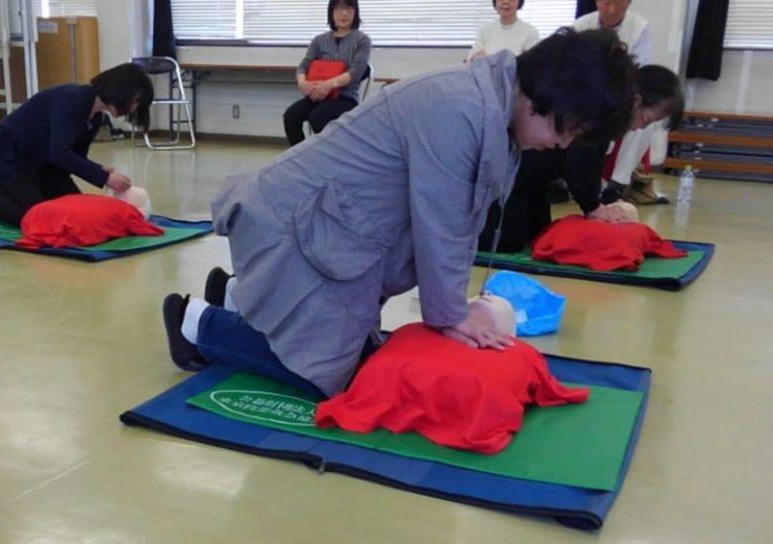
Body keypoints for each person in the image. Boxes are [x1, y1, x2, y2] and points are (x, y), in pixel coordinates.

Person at [163, 29, 637, 398]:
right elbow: (443, 226)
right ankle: (197, 323)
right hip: (293, 224)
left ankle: (238, 295)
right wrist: (453, 314)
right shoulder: (460, 108)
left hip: (329, 230)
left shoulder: (494, 106)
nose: (563, 144)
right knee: (328, 374)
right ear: (545, 95)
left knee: (368, 356)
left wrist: (459, 308)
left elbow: (460, 224)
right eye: (567, 129)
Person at [479, 64, 684, 253]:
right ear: (637, 100)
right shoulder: (600, 110)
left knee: (538, 237)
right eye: (646, 120)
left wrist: (596, 204)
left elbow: (587, 164)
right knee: (505, 244)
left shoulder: (608, 113)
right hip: (510, 172)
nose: (640, 127)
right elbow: (580, 162)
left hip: (534, 181)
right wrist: (593, 207)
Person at [0, 63, 153, 224]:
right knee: (35, 216)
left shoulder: (95, 118)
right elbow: (60, 154)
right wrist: (104, 178)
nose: (133, 108)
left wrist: (100, 169)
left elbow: (73, 157)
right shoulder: (73, 99)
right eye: (135, 101)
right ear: (121, 91)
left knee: (75, 211)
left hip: (44, 162)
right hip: (8, 154)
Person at [573, 0, 662, 204]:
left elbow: (639, 69)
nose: (611, 10)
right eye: (606, 3)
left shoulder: (640, 27)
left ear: (629, 3)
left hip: (620, 92)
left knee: (647, 116)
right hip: (585, 95)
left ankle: (618, 182)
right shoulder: (581, 25)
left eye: (619, 4)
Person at [283, 0, 372, 146]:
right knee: (291, 116)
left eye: (349, 8)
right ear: (331, 12)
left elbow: (356, 72)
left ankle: (330, 155)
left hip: (346, 97)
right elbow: (304, 66)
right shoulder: (319, 40)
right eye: (339, 8)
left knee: (318, 117)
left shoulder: (362, 40)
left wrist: (330, 85)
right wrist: (302, 83)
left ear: (355, 12)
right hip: (317, 95)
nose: (344, 13)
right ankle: (303, 155)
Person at [466, 0, 540, 61]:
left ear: (519, 2)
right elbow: (472, 58)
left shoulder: (530, 32)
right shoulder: (485, 30)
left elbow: (532, 65)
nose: (506, 1)